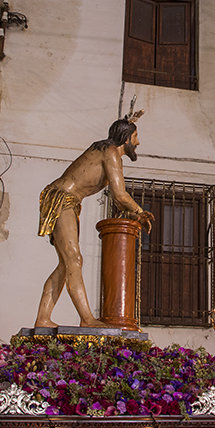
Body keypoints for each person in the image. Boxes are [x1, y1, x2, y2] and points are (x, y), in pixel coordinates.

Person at [35, 113, 154, 328]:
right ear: (126, 139)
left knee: (66, 264)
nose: (138, 143)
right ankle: (87, 319)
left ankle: (43, 318)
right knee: (74, 259)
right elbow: (120, 195)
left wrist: (135, 215)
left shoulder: (105, 151)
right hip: (63, 199)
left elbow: (118, 200)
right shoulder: (111, 152)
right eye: (135, 137)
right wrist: (139, 210)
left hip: (67, 201)